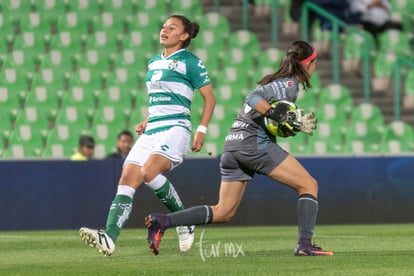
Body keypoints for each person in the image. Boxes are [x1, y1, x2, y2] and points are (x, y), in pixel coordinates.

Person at [145, 40, 334, 257]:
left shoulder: (280, 83)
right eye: (315, 62)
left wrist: (291, 125)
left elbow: (271, 116)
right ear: (308, 64)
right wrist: (277, 115)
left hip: (233, 146)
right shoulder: (288, 84)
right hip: (253, 144)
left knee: (224, 211)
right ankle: (305, 245)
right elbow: (253, 99)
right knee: (309, 185)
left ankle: (163, 221)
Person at [79, 14, 216, 256]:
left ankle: (185, 222)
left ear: (184, 36)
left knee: (149, 171)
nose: (165, 29)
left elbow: (210, 98)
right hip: (153, 129)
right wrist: (147, 120)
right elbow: (159, 102)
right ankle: (109, 237)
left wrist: (202, 130)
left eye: (172, 27)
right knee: (126, 179)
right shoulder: (153, 62)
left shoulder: (190, 62)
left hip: (176, 128)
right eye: (164, 26)